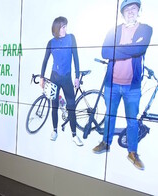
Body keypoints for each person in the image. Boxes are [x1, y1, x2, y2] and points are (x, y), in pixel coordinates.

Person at [92, 0, 152, 170]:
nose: (130, 12)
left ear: (139, 11)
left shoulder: (146, 29)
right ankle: (106, 142)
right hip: (112, 84)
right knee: (109, 116)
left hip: (132, 86)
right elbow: (105, 52)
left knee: (132, 121)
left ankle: (132, 152)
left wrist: (117, 50)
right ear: (122, 13)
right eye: (127, 9)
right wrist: (128, 48)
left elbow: (138, 50)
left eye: (134, 8)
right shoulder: (115, 30)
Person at [40, 16, 83, 146]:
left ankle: (74, 135)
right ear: (56, 28)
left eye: (65, 26)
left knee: (71, 106)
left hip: (66, 78)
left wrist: (77, 76)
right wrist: (42, 77)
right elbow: (45, 60)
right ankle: (54, 130)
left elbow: (76, 57)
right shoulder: (51, 43)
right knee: (54, 106)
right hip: (54, 78)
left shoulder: (71, 38)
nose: (65, 29)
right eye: (62, 27)